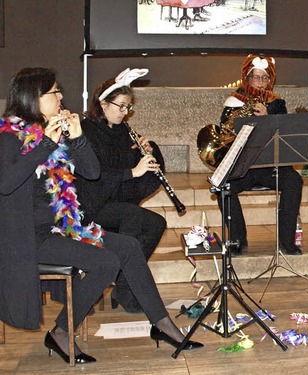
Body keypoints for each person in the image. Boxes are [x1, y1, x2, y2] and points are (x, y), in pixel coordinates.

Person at [0, 67, 202, 365]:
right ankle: (60, 333)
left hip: (65, 226)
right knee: (106, 261)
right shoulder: (9, 137)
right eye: (54, 92)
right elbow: (6, 184)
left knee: (129, 247)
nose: (61, 97)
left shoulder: (58, 130)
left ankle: (162, 325)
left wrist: (78, 139)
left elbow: (91, 172)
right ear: (34, 97)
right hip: (29, 236)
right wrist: (45, 144)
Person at [75, 68, 167, 314]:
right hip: (90, 202)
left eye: (129, 107)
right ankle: (126, 289)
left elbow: (124, 161)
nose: (126, 113)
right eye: (122, 106)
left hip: (112, 200)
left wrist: (146, 152)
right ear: (103, 104)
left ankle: (124, 286)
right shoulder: (86, 131)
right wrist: (133, 172)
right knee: (137, 220)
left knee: (152, 223)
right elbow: (94, 175)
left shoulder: (121, 130)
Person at [218, 54, 303, 256]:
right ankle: (238, 239)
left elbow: (285, 133)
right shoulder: (233, 102)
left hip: (271, 165)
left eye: (265, 78)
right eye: (256, 77)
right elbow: (223, 135)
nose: (260, 82)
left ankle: (287, 241)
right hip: (244, 167)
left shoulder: (277, 103)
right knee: (222, 186)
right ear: (246, 79)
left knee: (294, 181)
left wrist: (267, 118)